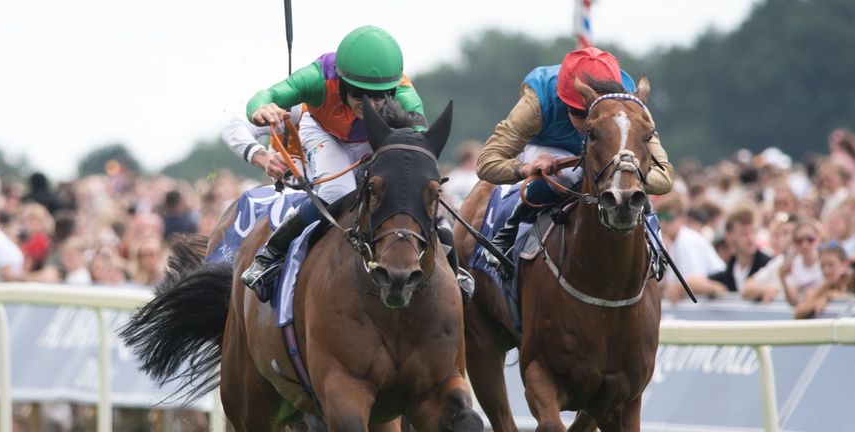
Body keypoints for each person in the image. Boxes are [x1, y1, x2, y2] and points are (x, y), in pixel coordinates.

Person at [238, 25, 472, 303]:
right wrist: (261, 109)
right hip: (325, 131)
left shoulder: (403, 93)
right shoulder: (316, 78)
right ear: (343, 83)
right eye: (360, 95)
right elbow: (264, 97)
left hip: (378, 133)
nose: (370, 103)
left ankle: (454, 269)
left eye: (378, 96)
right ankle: (270, 254)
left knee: (409, 186)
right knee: (338, 192)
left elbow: (417, 144)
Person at [475, 47, 675, 274]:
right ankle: (508, 232)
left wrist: (625, 177)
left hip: (606, 156)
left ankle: (654, 236)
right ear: (563, 99)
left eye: (593, 113)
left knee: (628, 179)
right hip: (548, 150)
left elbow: (665, 177)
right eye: (580, 114)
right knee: (570, 175)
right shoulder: (537, 100)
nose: (587, 122)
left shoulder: (629, 105)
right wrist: (526, 168)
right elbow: (487, 162)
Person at [709, 206, 772, 292]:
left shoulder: (769, 264)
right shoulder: (729, 270)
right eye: (743, 233)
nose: (750, 238)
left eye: (753, 231)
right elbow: (694, 282)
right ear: (729, 237)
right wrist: (716, 288)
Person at [794, 243, 854, 319]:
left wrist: (839, 296)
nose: (826, 271)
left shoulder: (851, 281)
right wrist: (820, 299)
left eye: (831, 265)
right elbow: (798, 313)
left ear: (845, 264)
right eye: (822, 266)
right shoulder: (825, 286)